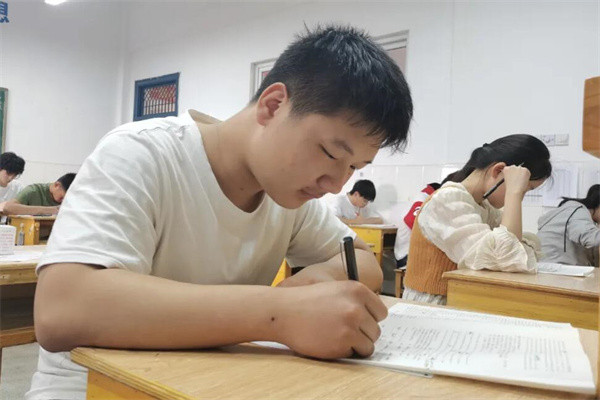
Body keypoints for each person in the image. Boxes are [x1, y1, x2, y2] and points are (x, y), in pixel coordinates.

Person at [26, 25, 413, 400]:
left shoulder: (287, 195)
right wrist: (278, 314)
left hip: (209, 385)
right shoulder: (142, 153)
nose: (336, 184)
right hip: (95, 387)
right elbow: (62, 309)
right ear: (273, 106)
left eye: (354, 168)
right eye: (330, 153)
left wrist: (318, 279)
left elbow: (361, 259)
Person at [402, 134, 552, 305]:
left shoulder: (483, 206)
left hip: (461, 300)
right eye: (524, 189)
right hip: (432, 306)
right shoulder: (448, 200)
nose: (521, 196)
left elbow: (515, 251)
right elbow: (508, 258)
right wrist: (514, 193)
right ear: (498, 171)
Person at [393, 172, 459, 268]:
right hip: (407, 256)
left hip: (417, 253)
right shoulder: (423, 197)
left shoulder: (432, 198)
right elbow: (411, 221)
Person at [537, 184, 600, 266]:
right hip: (555, 267)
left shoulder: (571, 212)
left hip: (551, 266)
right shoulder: (578, 211)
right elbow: (591, 238)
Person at [3, 173, 76, 216]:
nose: (63, 201)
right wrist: (49, 210)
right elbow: (8, 208)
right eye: (62, 197)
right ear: (57, 185)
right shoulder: (33, 191)